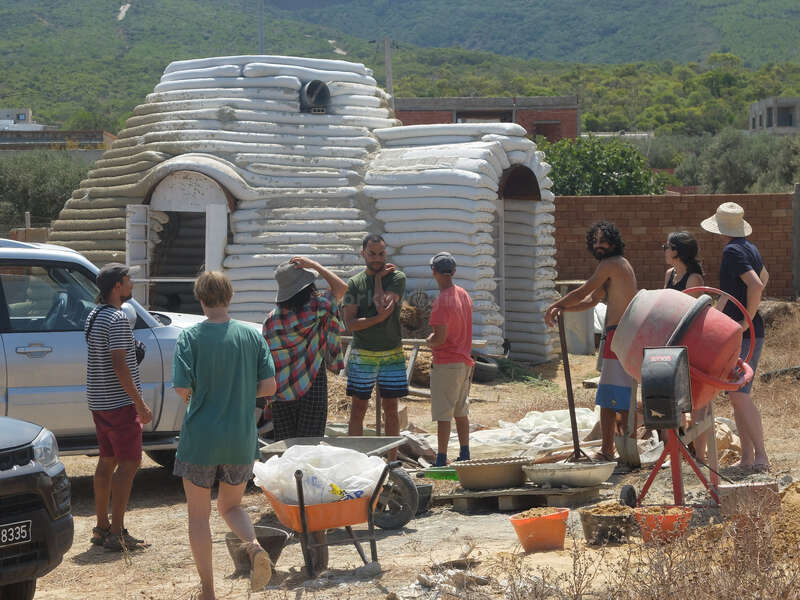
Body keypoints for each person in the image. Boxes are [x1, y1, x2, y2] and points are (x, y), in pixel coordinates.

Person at [172, 271, 277, 598]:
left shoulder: (189, 338)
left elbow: (181, 387)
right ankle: (254, 546)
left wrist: (197, 400)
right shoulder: (252, 336)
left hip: (200, 440)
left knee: (198, 518)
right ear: (229, 298)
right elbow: (270, 386)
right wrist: (242, 394)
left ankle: (207, 590)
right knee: (231, 508)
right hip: (240, 438)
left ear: (201, 300)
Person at [544, 222, 638, 461]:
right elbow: (592, 300)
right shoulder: (617, 266)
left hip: (618, 335)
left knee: (609, 398)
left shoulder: (611, 264)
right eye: (595, 241)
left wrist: (555, 305)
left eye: (603, 241)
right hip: (622, 335)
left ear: (614, 243)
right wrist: (565, 310)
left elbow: (583, 290)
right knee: (620, 396)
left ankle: (609, 450)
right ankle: (626, 448)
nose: (598, 245)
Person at [86, 263, 152, 552]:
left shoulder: (94, 315)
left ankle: (101, 527)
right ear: (117, 286)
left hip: (99, 401)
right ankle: (117, 532)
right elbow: (118, 362)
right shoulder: (117, 318)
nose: (131, 284)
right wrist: (139, 402)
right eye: (128, 280)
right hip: (120, 403)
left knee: (107, 460)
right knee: (129, 463)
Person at [701, 202, 769, 473]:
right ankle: (749, 457)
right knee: (737, 394)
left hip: (744, 332)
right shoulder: (748, 247)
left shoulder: (731, 251)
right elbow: (764, 275)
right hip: (744, 330)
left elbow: (756, 283)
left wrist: (745, 320)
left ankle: (762, 456)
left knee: (740, 394)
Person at [263, 257, 346, 440]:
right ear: (308, 286)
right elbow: (341, 289)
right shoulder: (319, 307)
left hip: (280, 394)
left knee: (287, 452)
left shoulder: (271, 320)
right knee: (309, 450)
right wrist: (315, 265)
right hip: (312, 386)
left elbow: (268, 361)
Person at [343, 234, 408, 446]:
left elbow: (381, 305)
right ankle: (356, 458)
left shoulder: (397, 278)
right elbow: (350, 324)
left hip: (391, 352)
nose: (377, 258)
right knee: (358, 409)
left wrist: (379, 279)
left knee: (391, 409)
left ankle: (391, 461)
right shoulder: (354, 283)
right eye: (372, 254)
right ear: (363, 254)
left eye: (381, 253)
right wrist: (379, 319)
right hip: (363, 353)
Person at [425, 252, 475, 467]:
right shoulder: (463, 294)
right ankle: (465, 453)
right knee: (460, 410)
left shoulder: (441, 301)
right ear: (453, 272)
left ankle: (441, 458)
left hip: (446, 362)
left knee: (443, 413)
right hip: (464, 360)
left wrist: (429, 340)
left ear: (434, 273)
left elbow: (440, 338)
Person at [662, 231, 708, 458]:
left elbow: (694, 316)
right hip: (672, 342)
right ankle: (677, 450)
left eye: (667, 247)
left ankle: (700, 455)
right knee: (674, 398)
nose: (665, 251)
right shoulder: (670, 274)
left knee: (697, 400)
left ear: (677, 251)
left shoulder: (694, 279)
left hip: (691, 344)